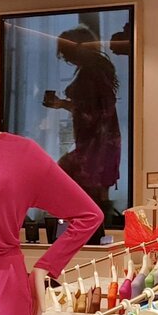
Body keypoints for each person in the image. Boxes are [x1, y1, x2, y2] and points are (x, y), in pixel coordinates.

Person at [43, 24, 121, 229]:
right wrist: (64, 104)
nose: (64, 57)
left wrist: (65, 105)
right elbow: (95, 110)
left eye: (65, 52)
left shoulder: (90, 74)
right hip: (102, 144)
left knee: (76, 185)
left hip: (95, 146)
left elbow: (92, 113)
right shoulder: (97, 71)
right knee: (95, 193)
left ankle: (84, 230)